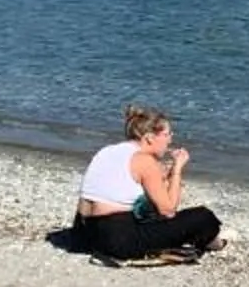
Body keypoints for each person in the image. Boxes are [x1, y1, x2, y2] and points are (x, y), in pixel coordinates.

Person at [75, 104, 223, 261]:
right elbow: (168, 210)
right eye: (167, 134)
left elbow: (116, 192)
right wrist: (177, 169)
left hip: (84, 232)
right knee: (203, 217)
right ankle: (213, 242)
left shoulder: (108, 150)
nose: (170, 139)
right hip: (116, 239)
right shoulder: (144, 160)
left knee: (150, 212)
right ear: (149, 138)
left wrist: (162, 177)